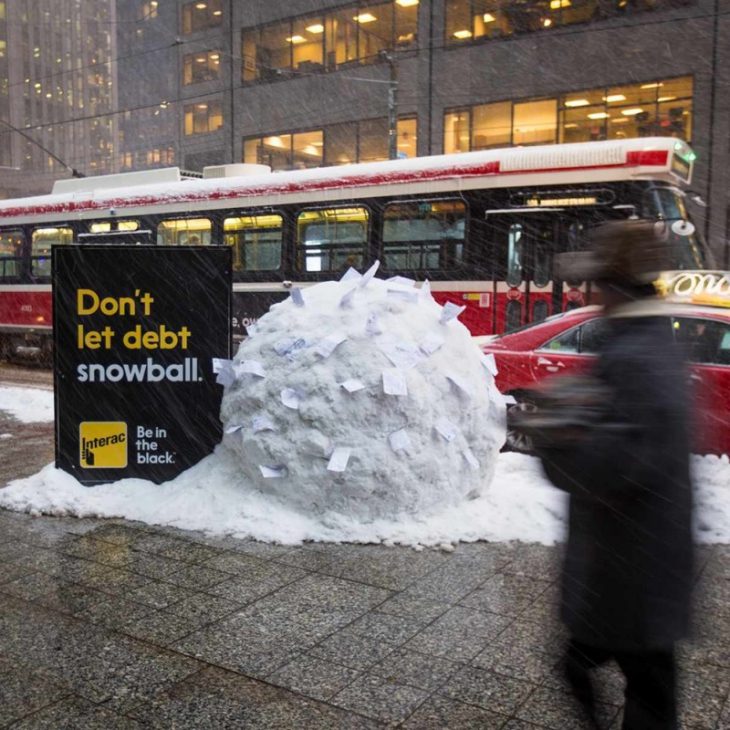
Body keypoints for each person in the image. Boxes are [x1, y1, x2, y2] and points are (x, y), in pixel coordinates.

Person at [532, 220, 694, 729]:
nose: (591, 294)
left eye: (597, 283)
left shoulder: (636, 356)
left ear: (614, 287)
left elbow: (615, 463)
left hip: (629, 570)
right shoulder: (646, 343)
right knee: (643, 681)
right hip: (638, 563)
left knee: (631, 683)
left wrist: (556, 432)